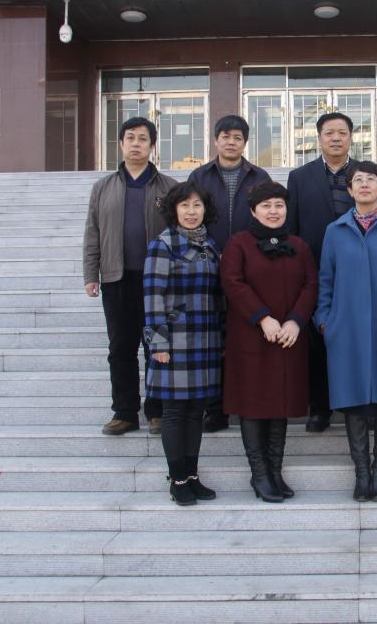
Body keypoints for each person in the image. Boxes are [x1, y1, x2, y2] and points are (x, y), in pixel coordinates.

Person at [314, 161, 377, 502]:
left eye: (371, 179)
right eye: (357, 180)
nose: (364, 185)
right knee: (353, 397)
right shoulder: (335, 231)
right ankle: (362, 474)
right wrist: (325, 320)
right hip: (347, 328)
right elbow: (326, 279)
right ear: (349, 190)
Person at [221, 182, 318, 503]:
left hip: (288, 337)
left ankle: (275, 471)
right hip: (251, 336)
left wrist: (296, 320)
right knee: (252, 404)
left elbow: (311, 284)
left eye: (279, 205)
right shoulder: (239, 244)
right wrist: (262, 317)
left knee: (281, 404)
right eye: (266, 206)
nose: (273, 211)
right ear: (253, 211)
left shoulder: (299, 245)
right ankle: (259, 473)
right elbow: (233, 283)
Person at [287, 112, 377, 433]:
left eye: (342, 132)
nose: (336, 138)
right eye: (329, 133)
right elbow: (293, 228)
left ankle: (365, 406)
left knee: (362, 342)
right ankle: (320, 408)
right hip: (317, 272)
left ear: (351, 137)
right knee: (319, 342)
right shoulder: (299, 177)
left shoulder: (365, 175)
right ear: (319, 139)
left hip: (361, 274)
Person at [83, 116, 178, 437]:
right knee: (121, 348)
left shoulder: (169, 188)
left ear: (152, 146)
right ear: (121, 143)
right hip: (116, 279)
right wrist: (91, 274)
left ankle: (157, 411)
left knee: (157, 346)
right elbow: (93, 233)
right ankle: (124, 412)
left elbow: (180, 232)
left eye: (143, 139)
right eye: (131, 138)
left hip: (158, 282)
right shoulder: (103, 187)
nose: (136, 144)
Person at [188, 114, 272, 433]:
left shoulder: (259, 176)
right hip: (207, 266)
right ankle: (215, 408)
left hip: (249, 270)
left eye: (237, 137)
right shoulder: (199, 176)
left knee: (244, 336)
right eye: (225, 136)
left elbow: (268, 219)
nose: (231, 142)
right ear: (216, 140)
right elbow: (190, 217)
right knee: (213, 336)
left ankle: (246, 400)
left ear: (245, 142)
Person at [142, 182, 222, 506]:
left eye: (197, 205)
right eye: (185, 205)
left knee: (196, 411)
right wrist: (157, 343)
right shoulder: (163, 245)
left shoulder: (210, 245)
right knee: (175, 411)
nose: (191, 212)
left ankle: (191, 476)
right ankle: (177, 479)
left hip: (205, 339)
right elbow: (152, 297)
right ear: (174, 210)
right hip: (174, 340)